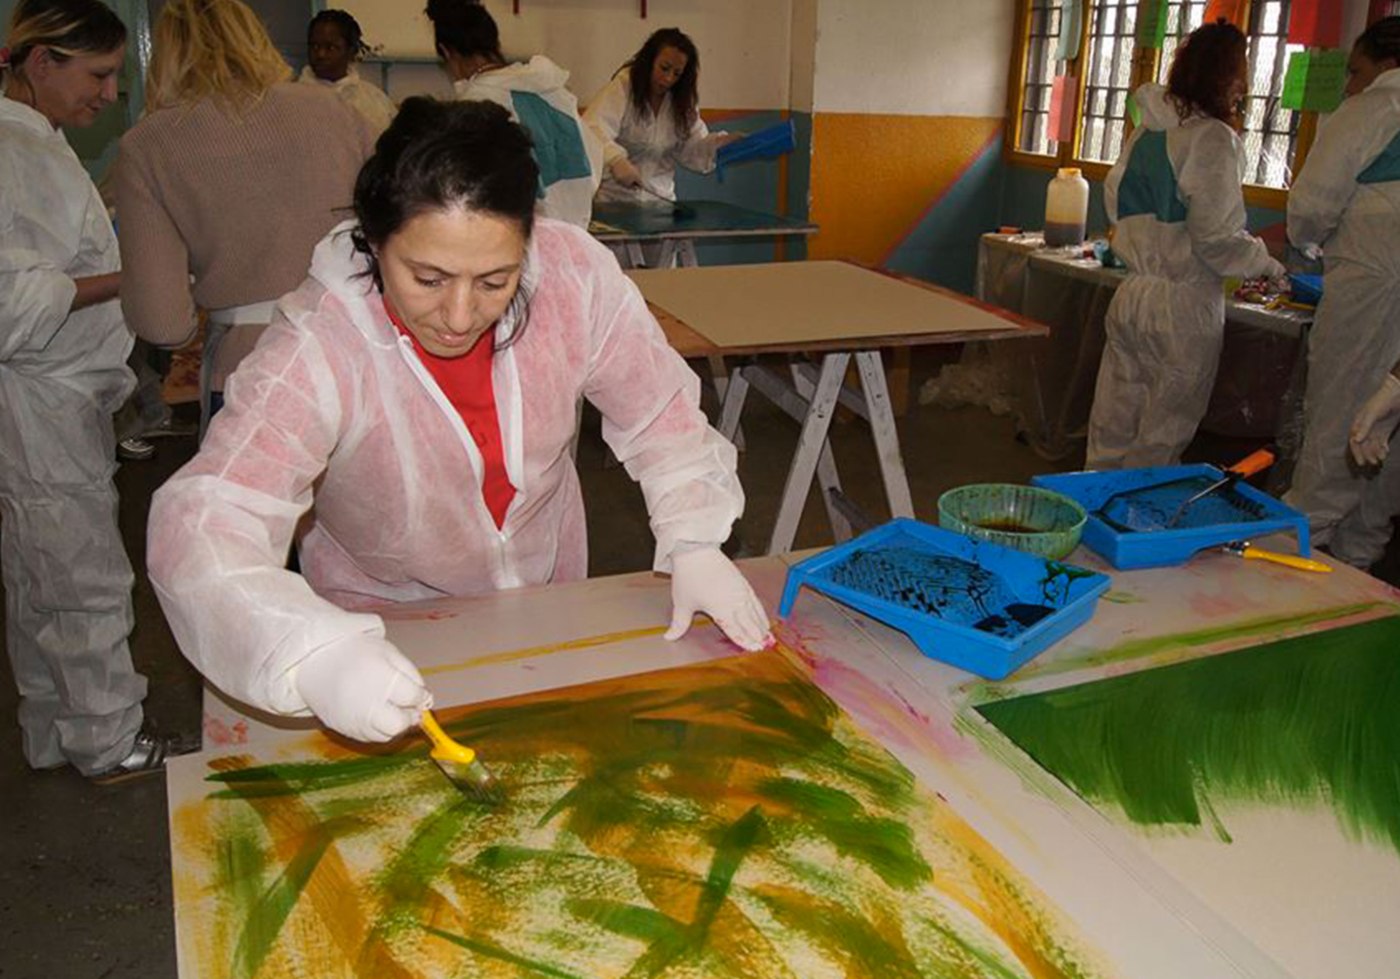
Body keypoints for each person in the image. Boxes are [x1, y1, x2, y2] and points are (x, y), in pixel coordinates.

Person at [146, 99, 771, 744]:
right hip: (385, 633)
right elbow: (208, 519)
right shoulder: (323, 341)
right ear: (375, 238)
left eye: (495, 280)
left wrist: (694, 538)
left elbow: (660, 413)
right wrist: (310, 653)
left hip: (547, 605)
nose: (459, 314)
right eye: (428, 278)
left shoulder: (573, 277)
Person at [0, 0, 185, 781]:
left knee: (38, 576)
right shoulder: (16, 151)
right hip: (40, 395)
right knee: (81, 575)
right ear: (41, 62)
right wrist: (143, 273)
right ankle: (109, 737)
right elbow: (17, 301)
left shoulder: (36, 141)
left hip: (48, 396)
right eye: (100, 73)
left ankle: (54, 728)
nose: (108, 95)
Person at [113, 0, 374, 438]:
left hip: (249, 370)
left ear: (165, 54)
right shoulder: (336, 109)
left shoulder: (147, 145)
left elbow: (163, 323)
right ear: (255, 38)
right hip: (357, 351)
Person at [1085, 21, 1284, 470]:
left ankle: (1090, 522)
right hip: (1184, 307)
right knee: (1161, 437)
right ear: (1228, 77)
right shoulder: (1212, 139)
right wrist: (1267, 265)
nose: (1244, 86)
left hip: (1135, 294)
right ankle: (1134, 535)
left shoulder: (1151, 131)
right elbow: (1217, 239)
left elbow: (1116, 206)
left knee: (1110, 429)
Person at [1284, 17, 1400, 569]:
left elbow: (1310, 206)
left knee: (1338, 424)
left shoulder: (1370, 112)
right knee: (1386, 442)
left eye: (1356, 71)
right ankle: (1359, 568)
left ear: (1387, 65)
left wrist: (1306, 246)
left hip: (1366, 290)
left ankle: (1302, 559)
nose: (1350, 85)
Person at [425, 0, 601, 229]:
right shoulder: (553, 90)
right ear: (494, 42)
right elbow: (593, 159)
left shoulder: (475, 105)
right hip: (571, 233)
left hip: (513, 237)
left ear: (448, 52)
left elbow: (469, 191)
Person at [584, 28, 737, 207]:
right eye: (664, 68)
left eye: (677, 73)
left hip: (660, 204)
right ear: (649, 61)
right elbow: (591, 129)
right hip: (614, 202)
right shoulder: (623, 87)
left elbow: (693, 150)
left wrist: (721, 144)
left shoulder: (682, 101)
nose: (668, 79)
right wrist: (615, 159)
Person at [298, 8, 396, 137]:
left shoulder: (375, 101)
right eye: (315, 46)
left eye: (330, 47)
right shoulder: (290, 99)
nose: (320, 54)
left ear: (351, 51)